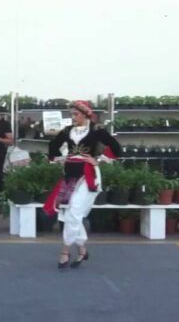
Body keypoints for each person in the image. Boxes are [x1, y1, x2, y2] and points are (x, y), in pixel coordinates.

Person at [44, 100, 121, 269]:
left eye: (76, 114)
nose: (73, 117)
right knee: (70, 212)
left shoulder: (96, 130)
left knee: (74, 212)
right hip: (70, 174)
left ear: (86, 114)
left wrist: (99, 160)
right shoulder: (67, 131)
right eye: (71, 114)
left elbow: (116, 148)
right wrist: (60, 158)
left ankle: (64, 251)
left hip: (88, 175)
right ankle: (82, 250)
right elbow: (52, 146)